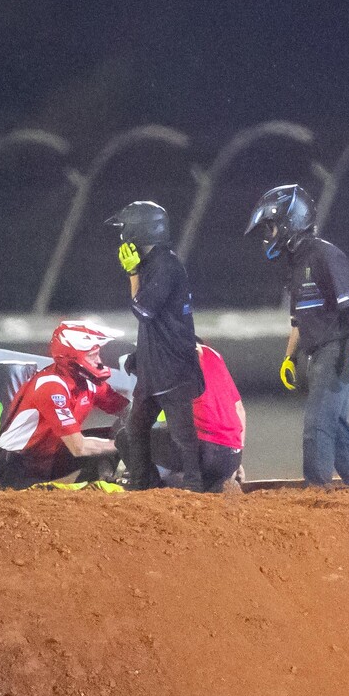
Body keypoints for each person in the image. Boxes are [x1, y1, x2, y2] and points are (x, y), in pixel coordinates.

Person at [247, 183, 349, 487]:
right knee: (337, 425)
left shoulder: (324, 254)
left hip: (338, 348)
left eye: (272, 226)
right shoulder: (295, 263)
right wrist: (289, 357)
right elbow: (298, 320)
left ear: (291, 221)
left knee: (317, 424)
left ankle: (316, 491)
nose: (270, 234)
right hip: (318, 352)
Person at [109, 199, 232, 492]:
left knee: (182, 433)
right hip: (155, 366)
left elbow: (142, 310)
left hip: (171, 366)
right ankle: (143, 483)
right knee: (134, 429)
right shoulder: (154, 263)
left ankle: (194, 486)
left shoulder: (165, 265)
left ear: (139, 231)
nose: (122, 236)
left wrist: (132, 274)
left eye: (125, 229)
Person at [0, 320, 129, 489]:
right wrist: (125, 445)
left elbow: (129, 411)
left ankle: (96, 488)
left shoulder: (88, 382)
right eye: (92, 356)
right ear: (72, 358)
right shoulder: (51, 387)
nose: (98, 361)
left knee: (120, 436)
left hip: (51, 454)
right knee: (118, 442)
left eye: (97, 354)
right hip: (19, 465)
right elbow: (79, 448)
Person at [145, 342, 246, 490]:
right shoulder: (214, 356)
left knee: (128, 436)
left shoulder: (171, 357)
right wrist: (237, 459)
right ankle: (218, 485)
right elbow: (239, 409)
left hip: (203, 449)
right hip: (231, 454)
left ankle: (150, 489)